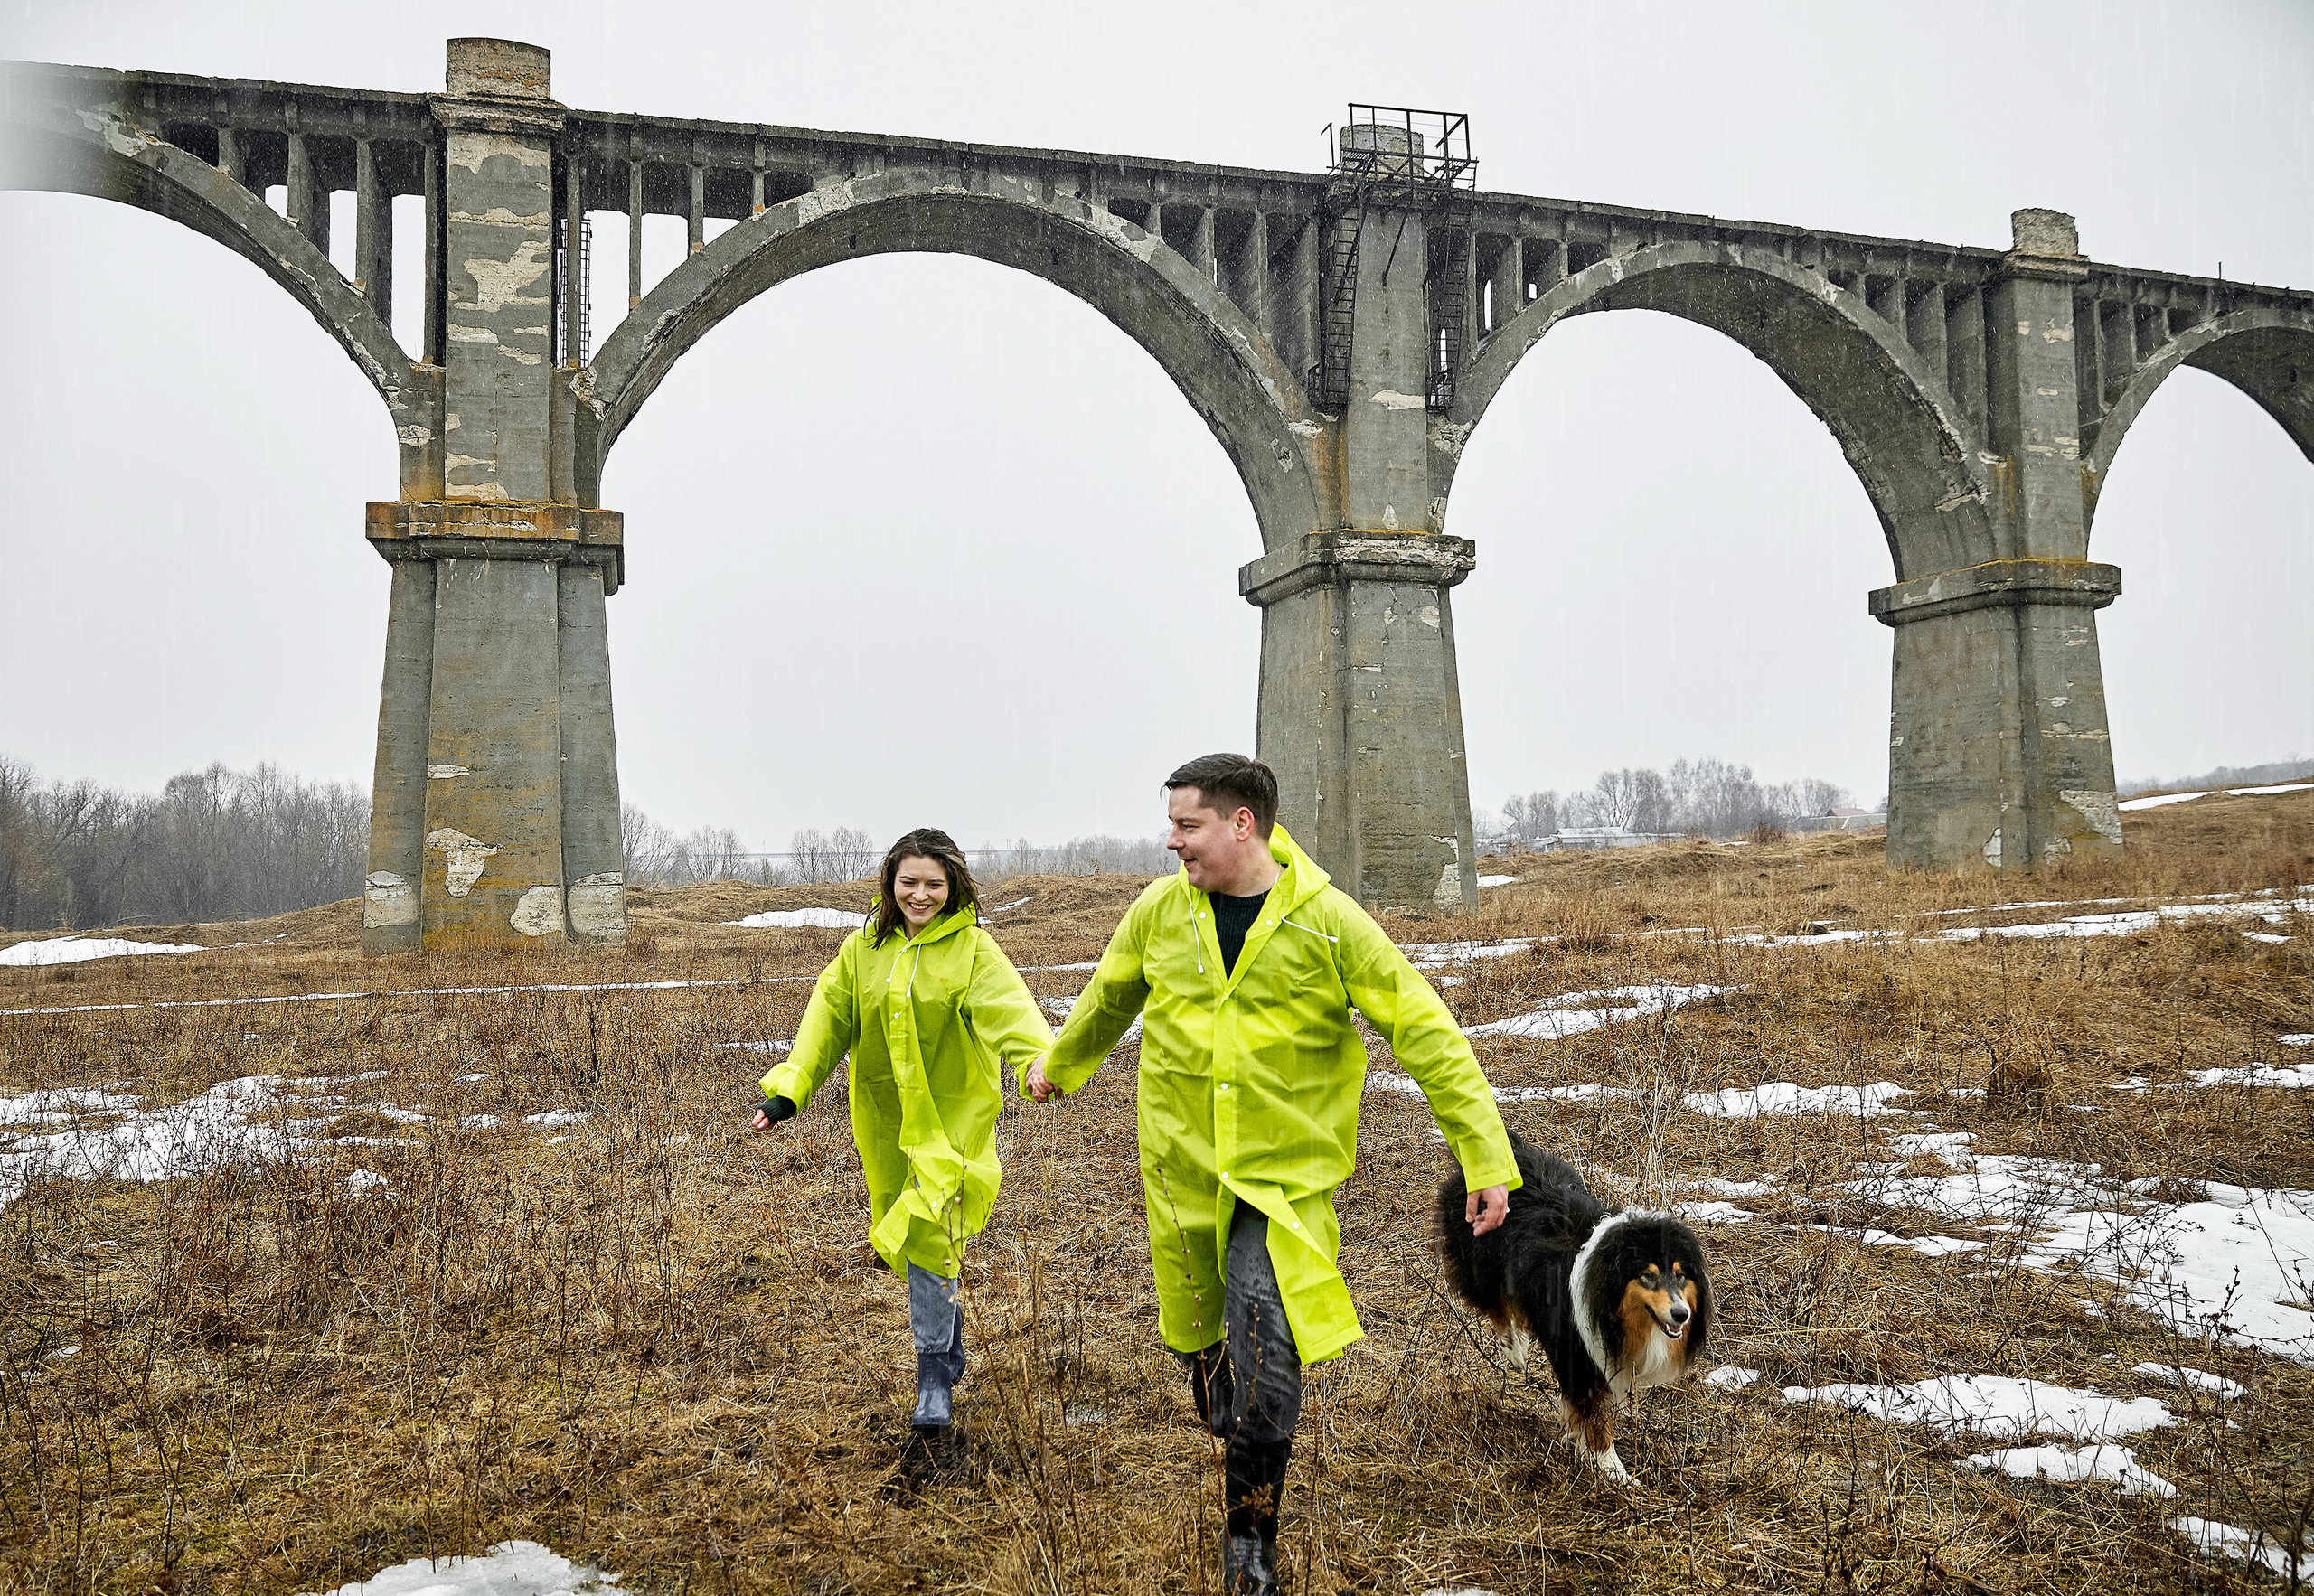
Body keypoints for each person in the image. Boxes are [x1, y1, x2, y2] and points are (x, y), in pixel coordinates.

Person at [1023, 754, 1518, 1594]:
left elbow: (1427, 1033)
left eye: (1187, 825)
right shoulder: (1158, 913)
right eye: (1172, 824)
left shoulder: (1327, 922)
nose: (1172, 841)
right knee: (1213, 1369)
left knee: (1267, 1351)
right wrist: (1057, 1066)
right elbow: (1107, 1000)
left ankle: (1250, 1542)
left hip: (1280, 1184)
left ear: (1241, 823)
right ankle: (1231, 1411)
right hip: (1183, 1171)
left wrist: (1484, 1157)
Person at [752, 827, 1051, 1446]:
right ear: (890, 883)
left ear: (954, 886)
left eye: (933, 884)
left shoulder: (973, 951)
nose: (920, 895)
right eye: (908, 882)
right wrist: (789, 1089)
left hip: (954, 1120)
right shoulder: (862, 950)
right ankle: (948, 1339)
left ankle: (932, 1381)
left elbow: (1012, 1012)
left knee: (928, 1232)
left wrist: (1036, 1063)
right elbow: (826, 1022)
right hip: (886, 1122)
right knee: (908, 1238)